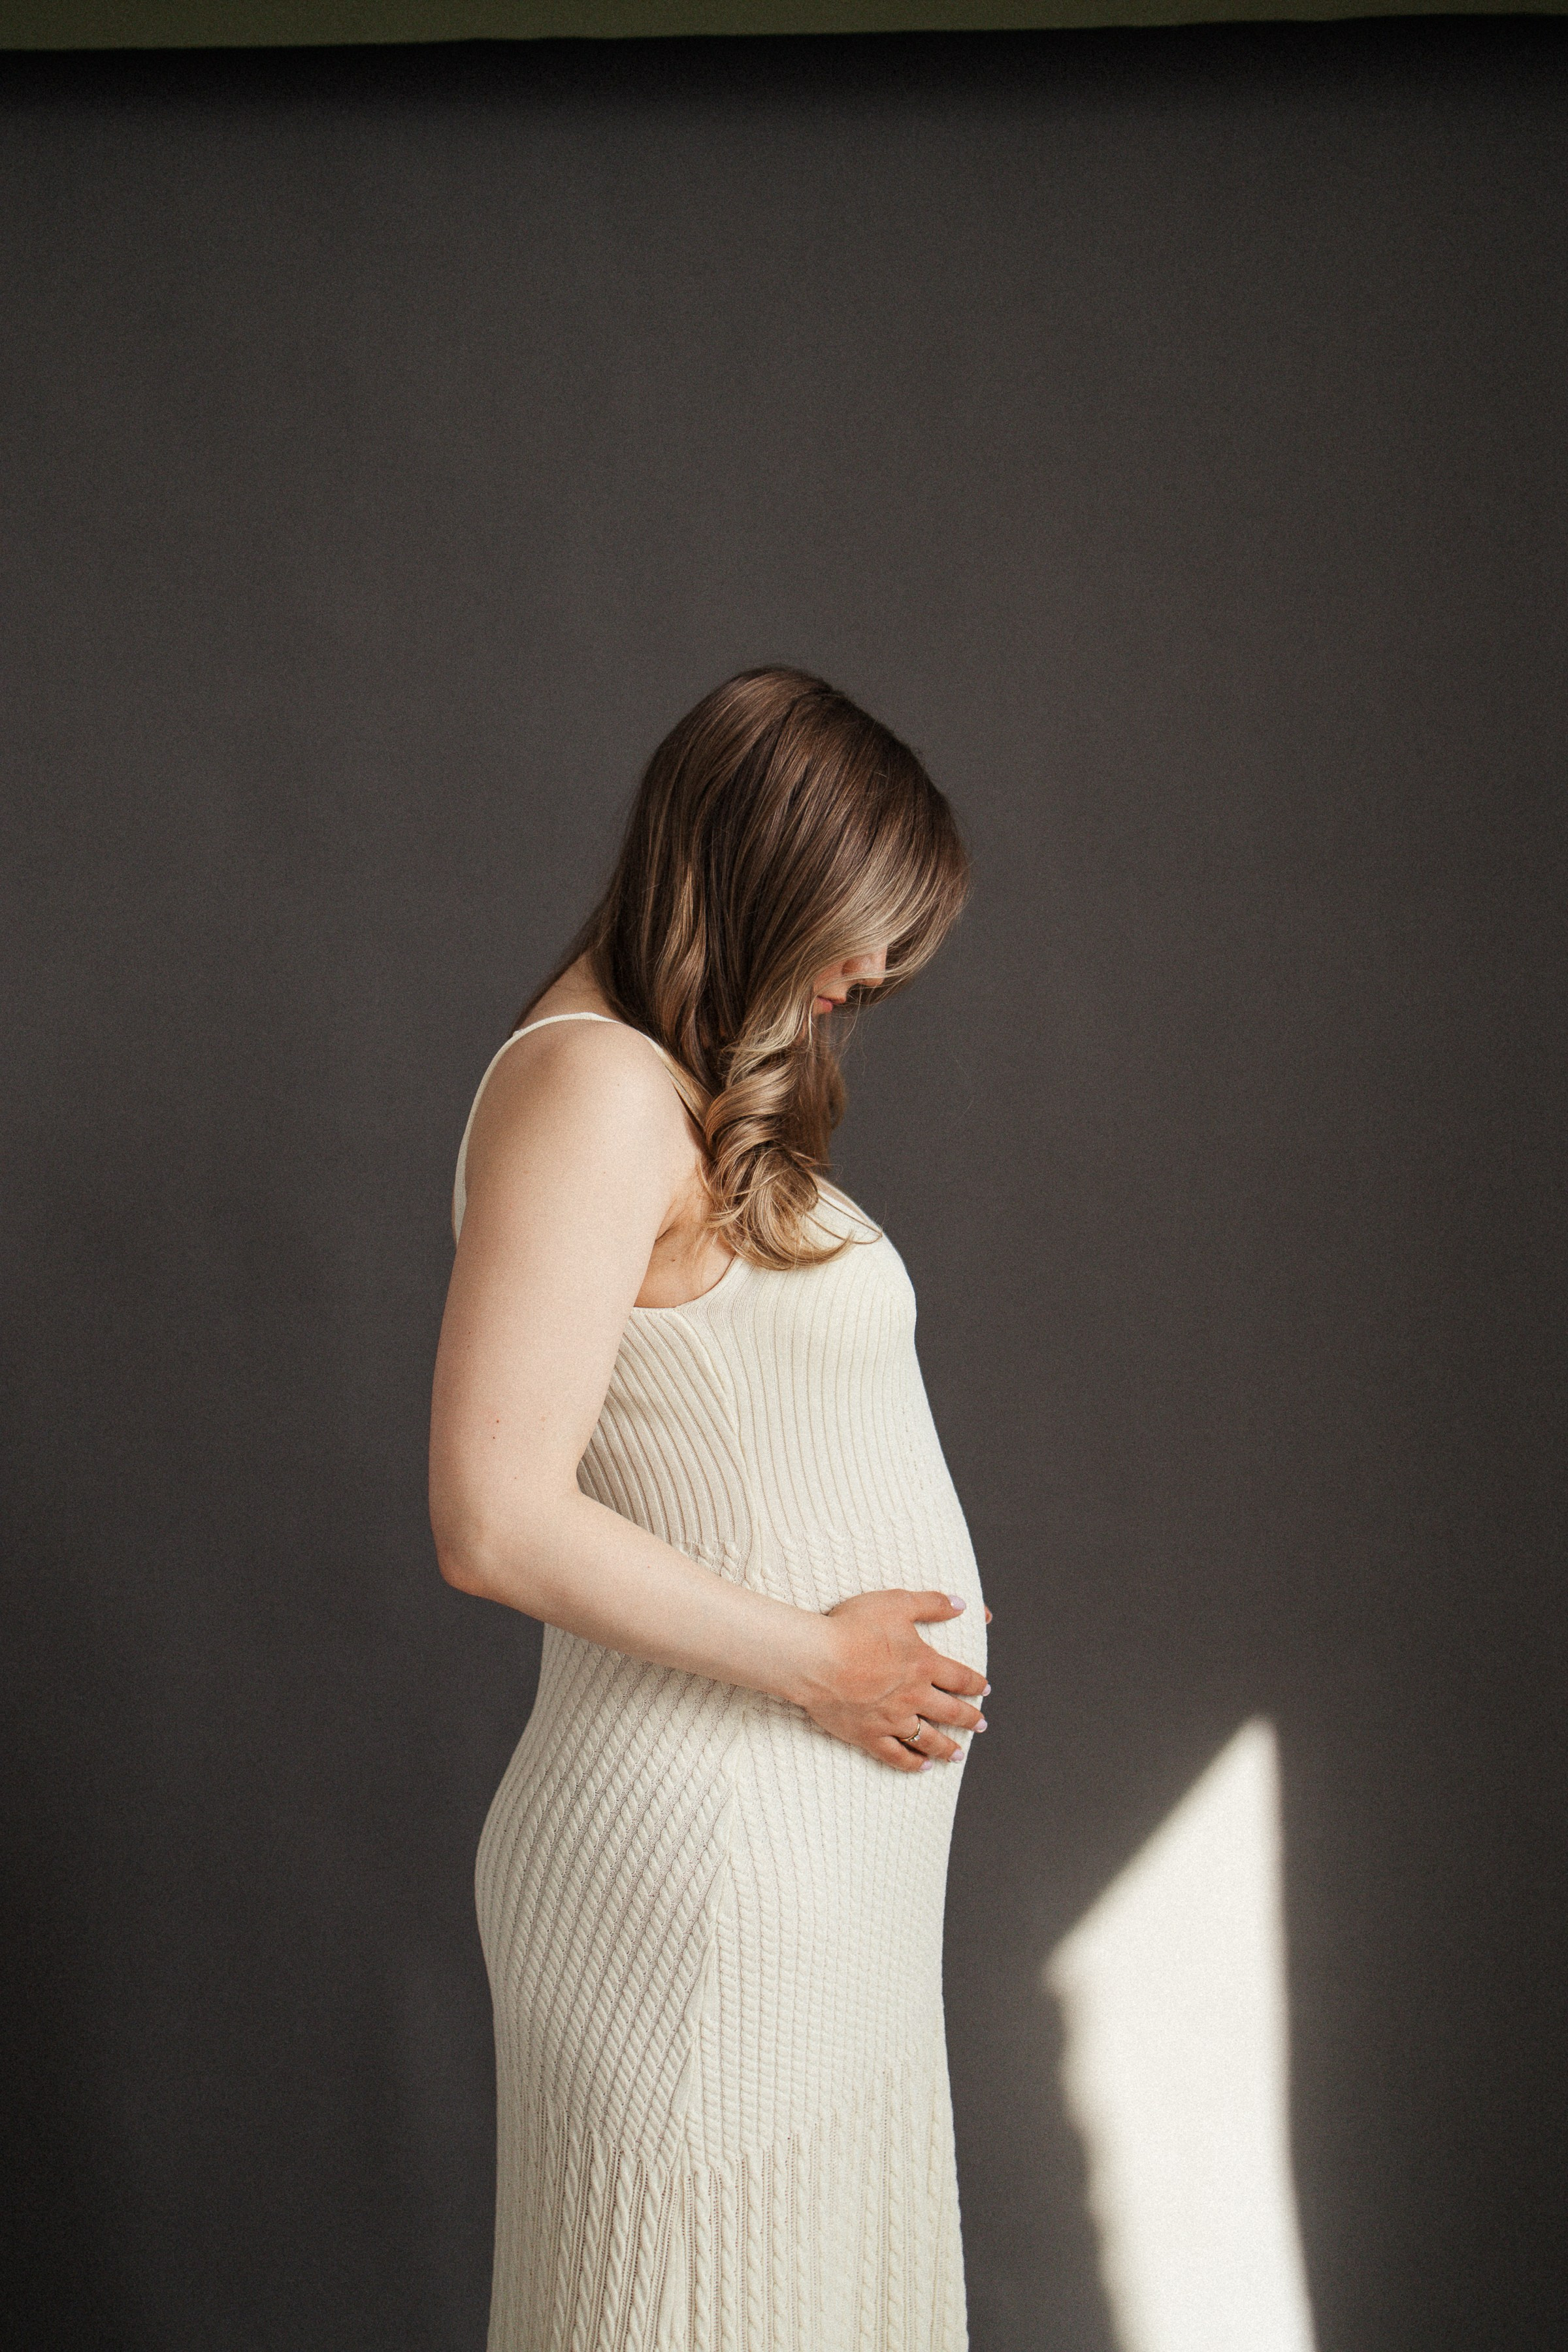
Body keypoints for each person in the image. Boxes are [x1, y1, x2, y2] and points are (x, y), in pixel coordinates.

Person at [429, 668, 991, 2352]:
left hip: (805, 1886)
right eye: (859, 930)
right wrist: (823, 1664)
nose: (871, 979)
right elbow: (492, 1514)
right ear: (764, 870)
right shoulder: (592, 1085)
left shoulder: (665, 1089)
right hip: (702, 1877)